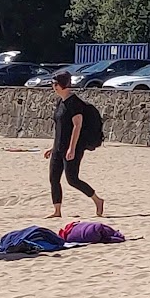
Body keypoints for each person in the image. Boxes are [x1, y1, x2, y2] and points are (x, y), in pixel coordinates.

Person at [44, 72, 104, 219]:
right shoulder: (60, 102)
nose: (53, 86)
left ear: (63, 85)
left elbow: (77, 126)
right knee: (53, 178)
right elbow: (60, 128)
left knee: (72, 179)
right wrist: (53, 148)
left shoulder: (74, 103)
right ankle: (57, 211)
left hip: (73, 147)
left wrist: (72, 148)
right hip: (58, 147)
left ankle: (97, 200)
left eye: (55, 84)